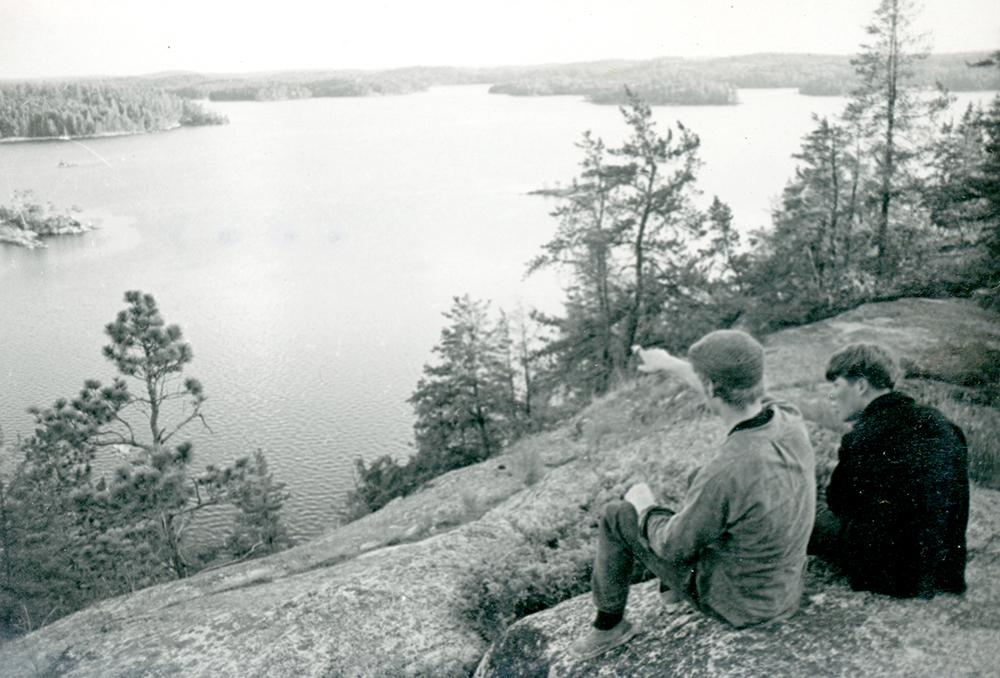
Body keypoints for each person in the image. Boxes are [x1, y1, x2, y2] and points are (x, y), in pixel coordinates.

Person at [572, 330, 816, 660]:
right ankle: (672, 592)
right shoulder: (788, 418)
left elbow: (672, 546)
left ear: (712, 388)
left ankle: (609, 626)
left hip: (742, 605)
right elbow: (729, 388)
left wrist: (645, 508)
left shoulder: (729, 468)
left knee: (619, 514)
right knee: (696, 480)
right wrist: (670, 364)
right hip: (782, 589)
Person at [811, 343, 969, 598]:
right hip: (942, 572)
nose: (830, 395)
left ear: (861, 386)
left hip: (891, 577)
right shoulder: (941, 423)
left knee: (807, 510)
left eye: (836, 385)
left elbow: (837, 503)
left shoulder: (863, 436)